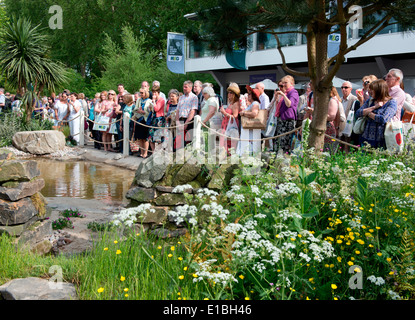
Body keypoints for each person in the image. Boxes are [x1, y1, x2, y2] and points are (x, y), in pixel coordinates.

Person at [355, 79, 397, 149]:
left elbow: (383, 119)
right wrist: (374, 107)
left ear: (379, 90)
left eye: (372, 89)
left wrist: (368, 113)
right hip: (366, 139)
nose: (369, 91)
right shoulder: (370, 101)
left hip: (382, 140)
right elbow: (358, 113)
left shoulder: (391, 102)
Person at [274, 75, 299, 155]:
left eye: (286, 83)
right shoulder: (286, 93)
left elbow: (289, 104)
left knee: (285, 144)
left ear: (291, 83)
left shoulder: (293, 92)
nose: (284, 84)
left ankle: (285, 160)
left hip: (288, 121)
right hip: (282, 120)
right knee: (278, 142)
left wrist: (283, 95)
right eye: (283, 83)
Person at [175, 80, 199, 147]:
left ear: (190, 88)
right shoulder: (181, 98)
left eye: (186, 87)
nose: (184, 88)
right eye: (183, 87)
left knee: (188, 140)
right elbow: (177, 110)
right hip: (180, 120)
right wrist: (177, 122)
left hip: (189, 121)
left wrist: (186, 124)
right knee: (179, 141)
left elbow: (192, 111)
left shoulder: (194, 97)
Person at [239, 86, 261, 156]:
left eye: (249, 94)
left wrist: (243, 113)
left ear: (253, 95)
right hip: (249, 129)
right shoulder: (252, 103)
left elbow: (254, 114)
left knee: (250, 147)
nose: (248, 95)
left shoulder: (255, 103)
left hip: (251, 130)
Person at [220, 83, 240, 154]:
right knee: (224, 143)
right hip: (226, 125)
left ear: (234, 94)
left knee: (229, 144)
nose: (229, 94)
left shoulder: (235, 103)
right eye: (228, 92)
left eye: (231, 93)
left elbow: (235, 116)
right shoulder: (231, 103)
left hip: (230, 126)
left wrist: (224, 112)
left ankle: (229, 159)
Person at [132, 89, 152, 158]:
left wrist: (144, 112)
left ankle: (145, 153)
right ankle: (141, 152)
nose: (140, 94)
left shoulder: (149, 101)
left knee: (145, 138)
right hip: (139, 120)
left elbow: (150, 111)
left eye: (142, 93)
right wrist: (138, 110)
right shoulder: (138, 100)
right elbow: (135, 109)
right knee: (140, 138)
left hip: (145, 120)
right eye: (140, 93)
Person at [200, 86, 219, 152]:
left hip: (207, 124)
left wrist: (204, 121)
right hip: (206, 123)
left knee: (207, 141)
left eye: (205, 93)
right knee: (206, 141)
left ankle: (207, 156)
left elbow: (212, 111)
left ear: (209, 93)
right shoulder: (211, 100)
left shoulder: (211, 100)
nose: (203, 95)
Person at [148, 84, 167, 153]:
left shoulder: (161, 100)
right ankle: (153, 152)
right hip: (153, 119)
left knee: (159, 137)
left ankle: (159, 152)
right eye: (153, 92)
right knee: (151, 136)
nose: (154, 94)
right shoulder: (154, 100)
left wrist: (153, 102)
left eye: (155, 92)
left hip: (159, 119)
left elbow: (156, 109)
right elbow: (151, 109)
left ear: (158, 93)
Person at [324, 87, 342, 152]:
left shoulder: (332, 100)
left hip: (329, 128)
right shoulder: (328, 100)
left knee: (328, 150)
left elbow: (331, 116)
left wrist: (318, 115)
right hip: (327, 128)